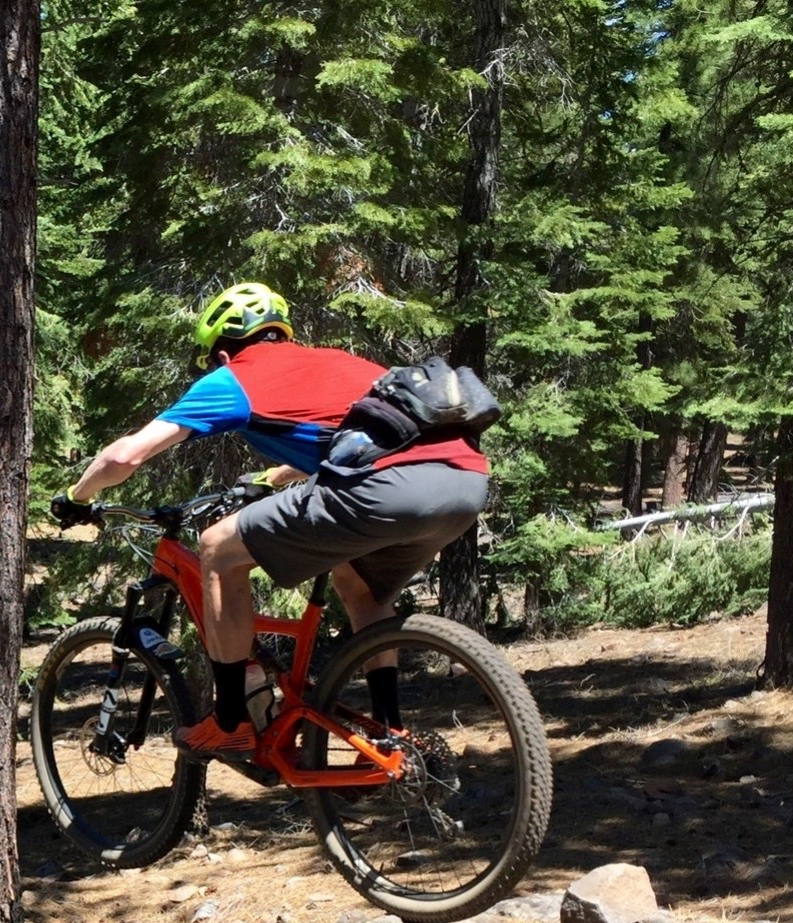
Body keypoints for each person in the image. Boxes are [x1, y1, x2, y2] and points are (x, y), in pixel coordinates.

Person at [56, 281, 489, 760]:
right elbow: (369, 435)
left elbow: (126, 456)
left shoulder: (233, 378)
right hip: (465, 483)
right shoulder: (341, 361)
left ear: (222, 353)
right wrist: (272, 476)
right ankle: (391, 733)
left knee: (217, 546)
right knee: (360, 588)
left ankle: (230, 721)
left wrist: (77, 496)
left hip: (385, 490)